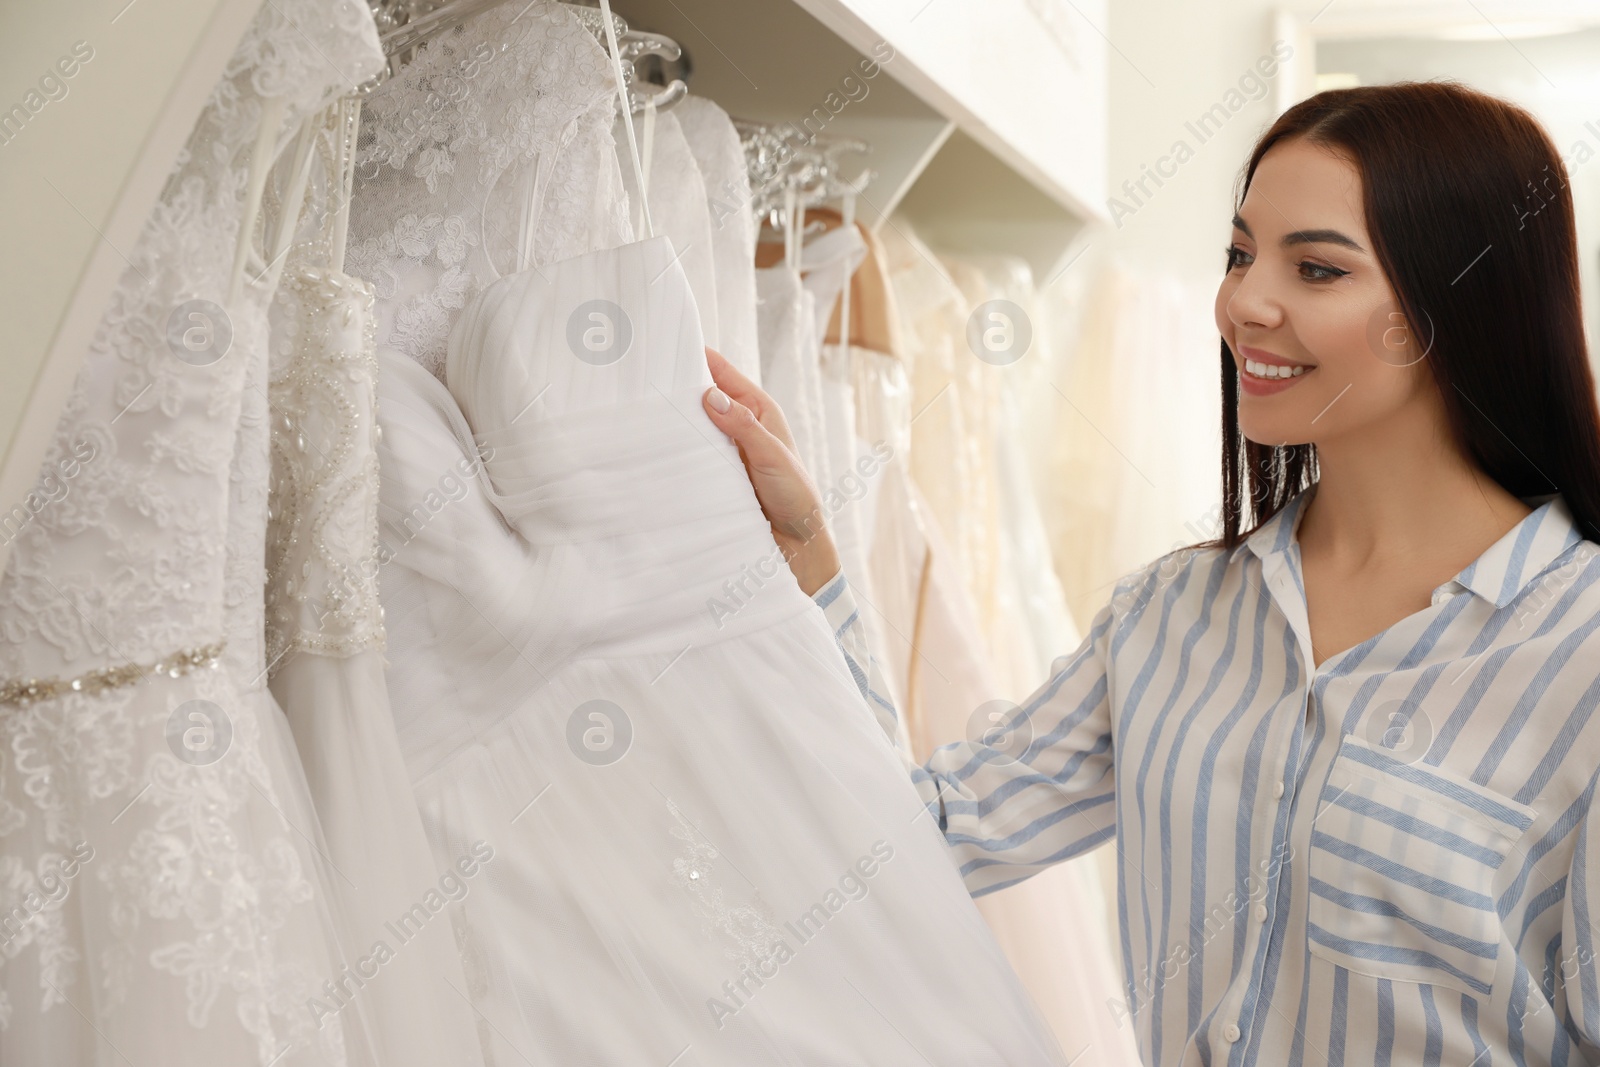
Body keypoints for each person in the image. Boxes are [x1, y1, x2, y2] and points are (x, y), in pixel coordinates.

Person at [701, 81, 1600, 1066]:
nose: (1246, 303)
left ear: (1456, 299)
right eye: (1240, 254)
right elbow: (917, 837)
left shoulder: (1578, 652)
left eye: (1315, 268)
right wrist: (809, 553)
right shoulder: (1171, 614)